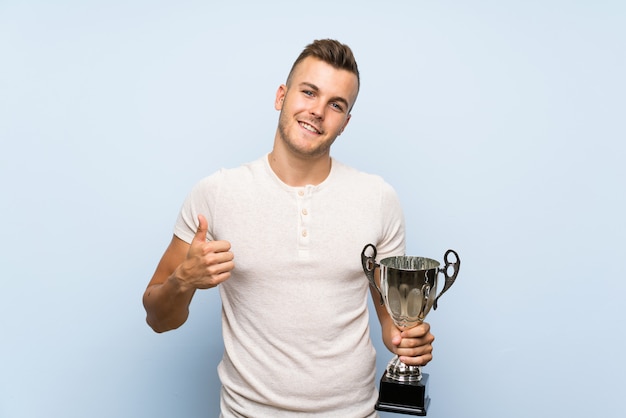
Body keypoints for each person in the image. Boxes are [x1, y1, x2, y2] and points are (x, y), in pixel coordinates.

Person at [143, 39, 435, 417]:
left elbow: (391, 323)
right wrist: (183, 280)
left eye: (336, 104)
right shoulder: (215, 194)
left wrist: (408, 341)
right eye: (308, 92)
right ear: (282, 95)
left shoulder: (378, 198)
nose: (317, 111)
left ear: (345, 123)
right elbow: (157, 319)